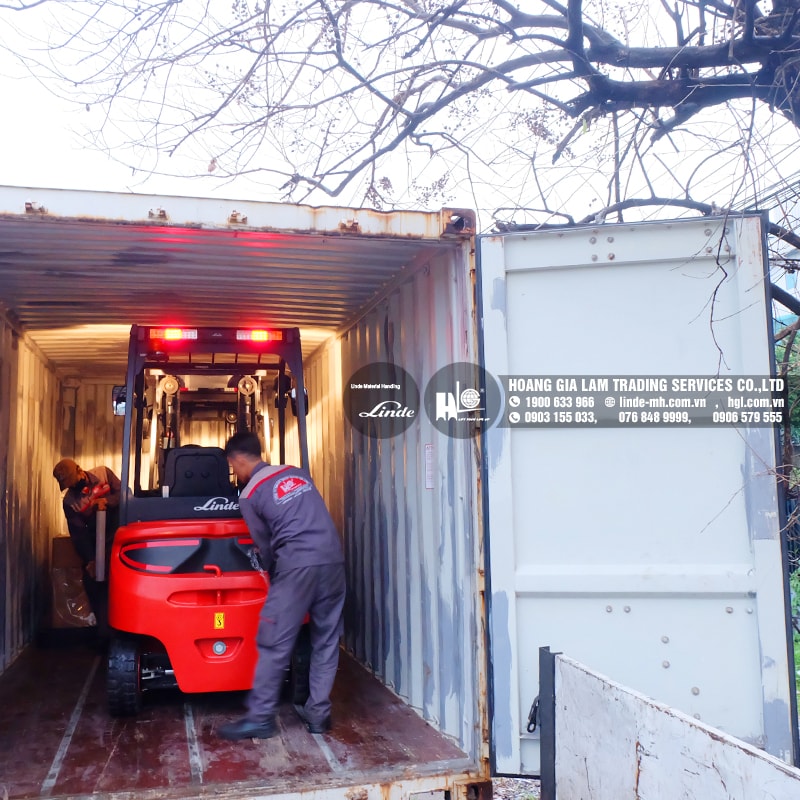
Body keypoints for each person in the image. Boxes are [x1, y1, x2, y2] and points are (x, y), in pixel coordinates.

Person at [219, 431, 346, 740]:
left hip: (297, 564)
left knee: (274, 640)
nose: (235, 473)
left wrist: (273, 574)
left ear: (238, 459)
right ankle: (318, 715)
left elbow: (265, 545)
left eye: (233, 466)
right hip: (332, 560)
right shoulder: (297, 473)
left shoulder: (250, 493)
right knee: (326, 638)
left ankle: (261, 718)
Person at [53, 458, 121, 638]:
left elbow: (125, 494)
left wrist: (107, 501)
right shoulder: (70, 502)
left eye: (71, 481)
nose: (71, 487)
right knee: (94, 582)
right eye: (67, 485)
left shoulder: (104, 473)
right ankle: (104, 633)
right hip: (97, 543)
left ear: (79, 470)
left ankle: (123, 630)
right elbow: (79, 534)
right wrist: (90, 559)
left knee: (119, 581)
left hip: (119, 536)